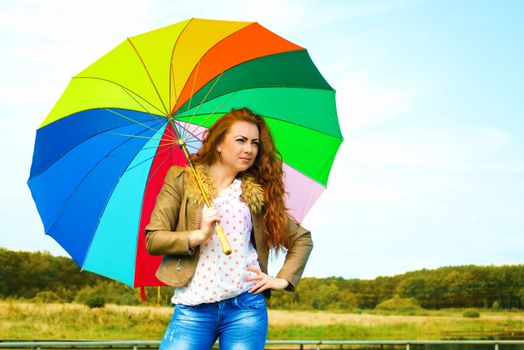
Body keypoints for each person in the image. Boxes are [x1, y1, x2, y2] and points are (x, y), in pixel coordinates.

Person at [145, 107, 313, 350]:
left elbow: (302, 239)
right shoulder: (181, 180)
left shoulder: (255, 195)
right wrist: (198, 235)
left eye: (255, 143)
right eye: (241, 140)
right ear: (219, 144)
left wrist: (282, 280)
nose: (250, 149)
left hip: (246, 308)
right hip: (194, 309)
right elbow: (154, 238)